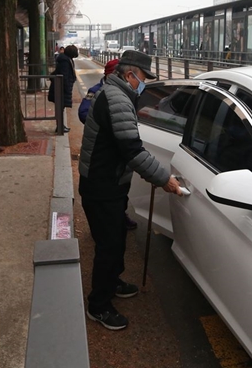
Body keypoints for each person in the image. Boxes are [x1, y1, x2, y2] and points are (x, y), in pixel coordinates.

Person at [78, 49, 183, 330]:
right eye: (143, 78)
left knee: (115, 238)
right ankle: (98, 305)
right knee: (108, 245)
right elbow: (132, 150)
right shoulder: (117, 99)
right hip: (102, 186)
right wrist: (164, 179)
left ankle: (113, 282)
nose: (144, 83)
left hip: (107, 183)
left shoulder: (116, 94)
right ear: (129, 75)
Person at [78, 59, 140, 231]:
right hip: (104, 172)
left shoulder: (128, 93)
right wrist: (104, 123)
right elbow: (83, 112)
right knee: (109, 240)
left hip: (115, 173)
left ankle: (121, 215)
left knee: (119, 198)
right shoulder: (97, 92)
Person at [48, 44, 77, 133]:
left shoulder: (66, 59)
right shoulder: (65, 61)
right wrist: (67, 87)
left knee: (61, 108)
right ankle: (60, 127)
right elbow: (64, 76)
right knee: (60, 108)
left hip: (61, 88)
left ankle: (61, 126)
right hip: (61, 89)